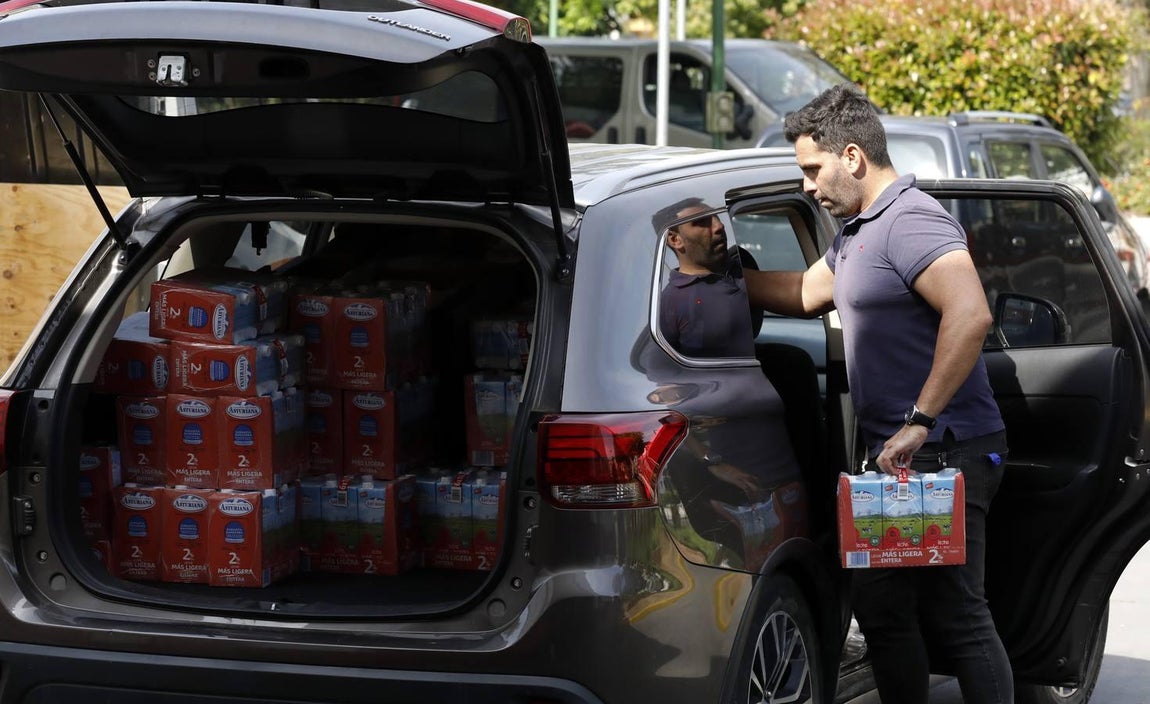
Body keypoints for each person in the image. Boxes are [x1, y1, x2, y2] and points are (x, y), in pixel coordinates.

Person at [744, 83, 1013, 703]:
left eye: (813, 169)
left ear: (854, 158)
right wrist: (720, 274)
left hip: (945, 450)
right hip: (895, 463)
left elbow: (970, 316)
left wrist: (919, 420)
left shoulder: (912, 220)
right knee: (884, 614)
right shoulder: (857, 231)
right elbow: (804, 294)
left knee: (958, 615)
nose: (808, 186)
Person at [653, 197, 756, 358]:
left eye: (717, 217)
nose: (719, 226)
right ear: (675, 239)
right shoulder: (669, 304)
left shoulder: (741, 265)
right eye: (702, 222)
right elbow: (660, 372)